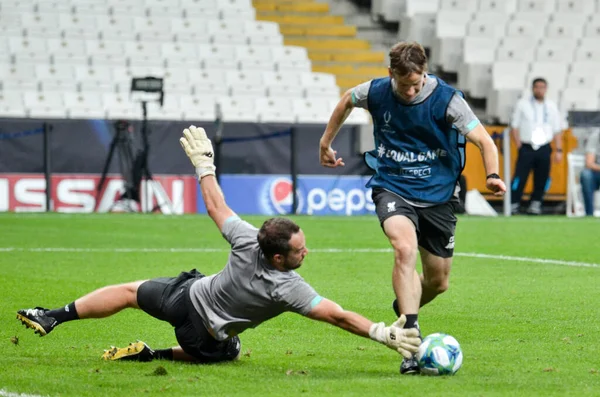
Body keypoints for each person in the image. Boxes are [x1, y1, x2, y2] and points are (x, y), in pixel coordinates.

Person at [16, 126, 421, 365]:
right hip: (202, 336)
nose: (306, 252)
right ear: (279, 258)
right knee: (230, 350)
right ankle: (153, 355)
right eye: (300, 250)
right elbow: (337, 316)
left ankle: (54, 315)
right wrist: (380, 333)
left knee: (127, 292)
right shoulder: (287, 288)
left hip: (183, 297)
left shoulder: (247, 239)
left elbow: (215, 205)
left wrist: (203, 164)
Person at [318, 41, 506, 374]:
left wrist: (493, 175)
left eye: (416, 83)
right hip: (393, 187)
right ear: (392, 74)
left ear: (425, 73)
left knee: (438, 281)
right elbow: (347, 99)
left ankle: (406, 304)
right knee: (403, 249)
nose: (410, 90)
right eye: (404, 85)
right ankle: (410, 338)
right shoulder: (376, 92)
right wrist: (326, 142)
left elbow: (485, 141)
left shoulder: (447, 100)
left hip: (438, 196)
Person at [509, 77, 563, 215]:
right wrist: (519, 145)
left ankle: (536, 203)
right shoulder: (523, 104)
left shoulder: (551, 106)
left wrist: (559, 149)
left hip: (545, 146)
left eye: (542, 87)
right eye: (537, 87)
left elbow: (557, 129)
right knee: (519, 177)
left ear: (546, 89)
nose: (539, 90)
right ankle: (513, 203)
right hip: (527, 146)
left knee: (542, 177)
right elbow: (514, 126)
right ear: (533, 88)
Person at [580, 129, 600, 216]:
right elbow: (589, 163)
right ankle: (589, 213)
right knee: (586, 174)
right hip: (596, 172)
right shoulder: (595, 136)